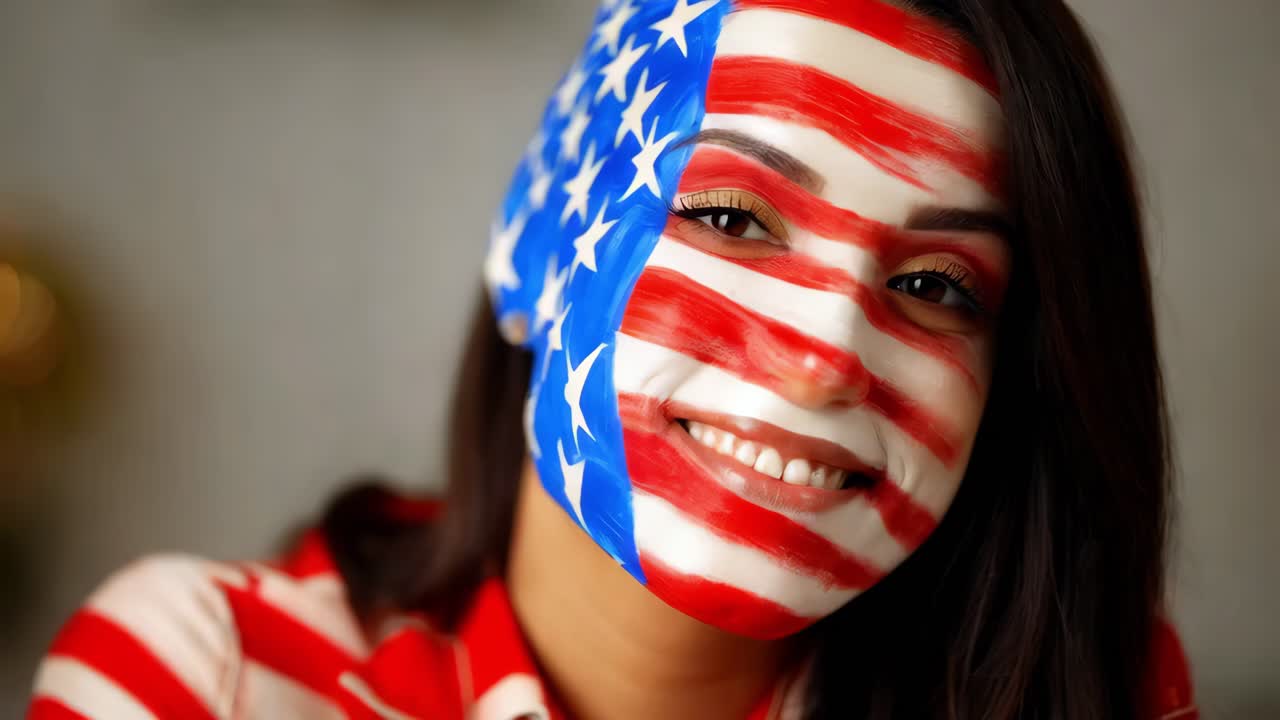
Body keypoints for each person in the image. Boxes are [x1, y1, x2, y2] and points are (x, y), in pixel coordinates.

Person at [28, 0, 1199, 718]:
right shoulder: (204, 684)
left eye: (936, 287)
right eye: (730, 216)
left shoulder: (1094, 685)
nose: (821, 356)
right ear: (536, 242)